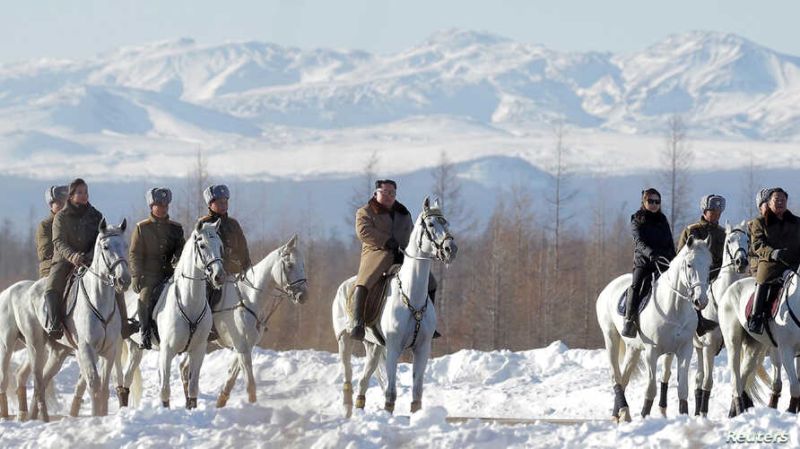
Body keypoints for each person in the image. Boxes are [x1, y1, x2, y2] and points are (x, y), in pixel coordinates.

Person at [351, 179, 439, 341]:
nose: (389, 196)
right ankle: (357, 322)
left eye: (392, 193)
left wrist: (416, 250)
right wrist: (386, 241)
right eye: (385, 193)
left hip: (403, 254)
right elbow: (364, 232)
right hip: (376, 253)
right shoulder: (365, 212)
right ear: (376, 193)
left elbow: (413, 235)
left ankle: (428, 323)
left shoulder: (403, 213)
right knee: (365, 281)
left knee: (431, 282)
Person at [44, 178, 105, 339]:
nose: (84, 195)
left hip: (91, 261)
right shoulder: (61, 217)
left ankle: (123, 325)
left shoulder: (96, 216)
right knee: (51, 288)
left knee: (112, 283)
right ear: (71, 196)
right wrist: (72, 256)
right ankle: (55, 324)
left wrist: (90, 256)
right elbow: (58, 241)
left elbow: (101, 239)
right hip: (65, 261)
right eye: (79, 192)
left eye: (85, 192)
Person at [129, 188, 184, 349]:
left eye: (166, 205)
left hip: (171, 273)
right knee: (144, 297)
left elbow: (182, 249)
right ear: (151, 206)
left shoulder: (176, 228)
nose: (163, 207)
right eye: (159, 204)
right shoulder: (142, 228)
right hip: (150, 275)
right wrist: (136, 275)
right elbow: (134, 254)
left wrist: (178, 257)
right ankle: (145, 333)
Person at [622, 188, 676, 338]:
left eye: (657, 202)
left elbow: (670, 242)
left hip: (663, 261)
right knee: (636, 285)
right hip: (644, 262)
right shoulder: (637, 218)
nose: (654, 204)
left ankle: (697, 320)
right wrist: (651, 254)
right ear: (644, 202)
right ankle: (630, 320)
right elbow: (639, 241)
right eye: (650, 201)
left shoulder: (663, 219)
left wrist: (674, 259)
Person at [749, 188, 800, 334]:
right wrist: (772, 253)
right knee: (763, 281)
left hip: (794, 264)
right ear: (769, 203)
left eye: (783, 199)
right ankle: (756, 317)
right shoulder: (759, 222)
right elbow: (757, 244)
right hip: (771, 265)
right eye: (776, 199)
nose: (780, 202)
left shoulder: (797, 222)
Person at [676, 194, 726, 336]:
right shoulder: (692, 230)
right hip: (696, 275)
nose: (716, 215)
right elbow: (681, 255)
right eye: (713, 212)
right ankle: (699, 321)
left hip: (717, 274)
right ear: (704, 212)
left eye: (718, 213)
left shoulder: (723, 233)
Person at [199, 184, 251, 313]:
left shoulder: (233, 224)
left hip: (235, 272)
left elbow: (243, 249)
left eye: (225, 202)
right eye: (219, 202)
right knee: (212, 296)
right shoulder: (204, 224)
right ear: (210, 204)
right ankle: (209, 323)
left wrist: (246, 267)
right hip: (213, 275)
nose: (223, 205)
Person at [36, 185, 68, 278]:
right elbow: (46, 253)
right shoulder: (45, 226)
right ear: (51, 205)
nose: (64, 206)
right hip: (51, 268)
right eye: (60, 203)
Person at [748, 188, 771, 277]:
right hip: (759, 267)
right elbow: (754, 248)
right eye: (767, 205)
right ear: (760, 208)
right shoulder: (753, 225)